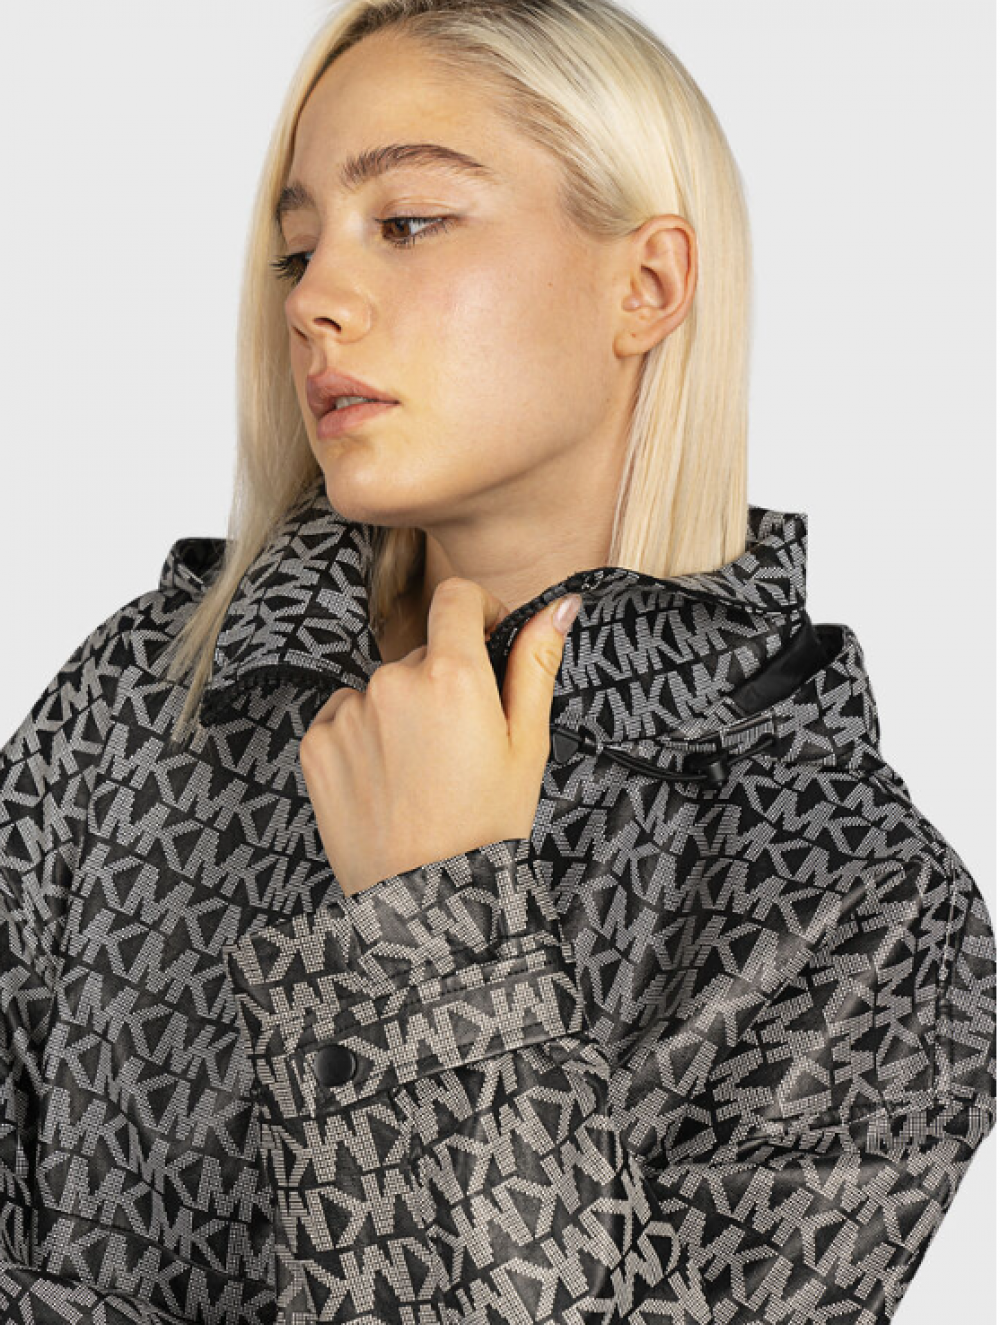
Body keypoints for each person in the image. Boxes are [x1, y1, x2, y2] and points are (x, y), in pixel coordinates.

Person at [0, 1, 994, 1322]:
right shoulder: (152, 691)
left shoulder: (861, 911)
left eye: (409, 222)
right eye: (298, 248)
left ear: (647, 286)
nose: (317, 300)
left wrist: (436, 916)